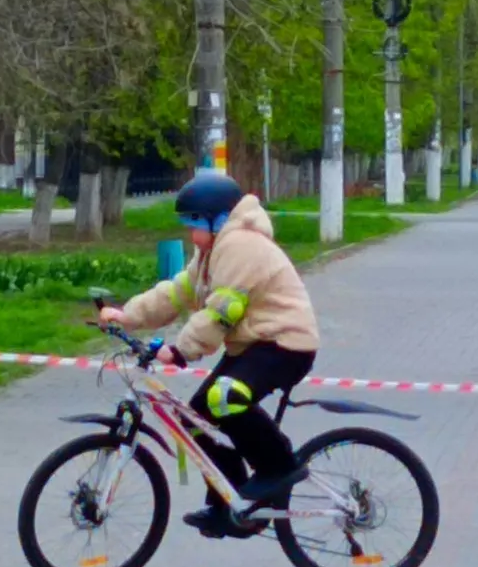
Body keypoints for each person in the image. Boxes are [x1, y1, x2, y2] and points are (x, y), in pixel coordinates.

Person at [100, 172, 320, 538]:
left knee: (225, 397)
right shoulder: (210, 252)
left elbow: (223, 310)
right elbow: (177, 293)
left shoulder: (240, 245)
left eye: (194, 224)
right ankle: (230, 504)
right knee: (194, 418)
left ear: (218, 220)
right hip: (254, 344)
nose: (191, 234)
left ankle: (279, 466)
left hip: (285, 344)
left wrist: (180, 351)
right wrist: (128, 316)